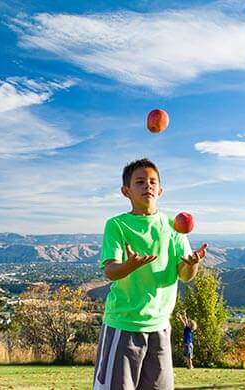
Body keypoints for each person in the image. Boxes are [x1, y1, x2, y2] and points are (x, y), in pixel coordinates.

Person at [93, 158, 208, 390]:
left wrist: (193, 264)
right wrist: (131, 264)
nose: (148, 185)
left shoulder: (173, 226)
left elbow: (185, 275)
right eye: (140, 181)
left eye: (153, 181)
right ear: (126, 191)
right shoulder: (116, 225)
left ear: (161, 190)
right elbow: (111, 271)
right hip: (123, 324)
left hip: (160, 327)